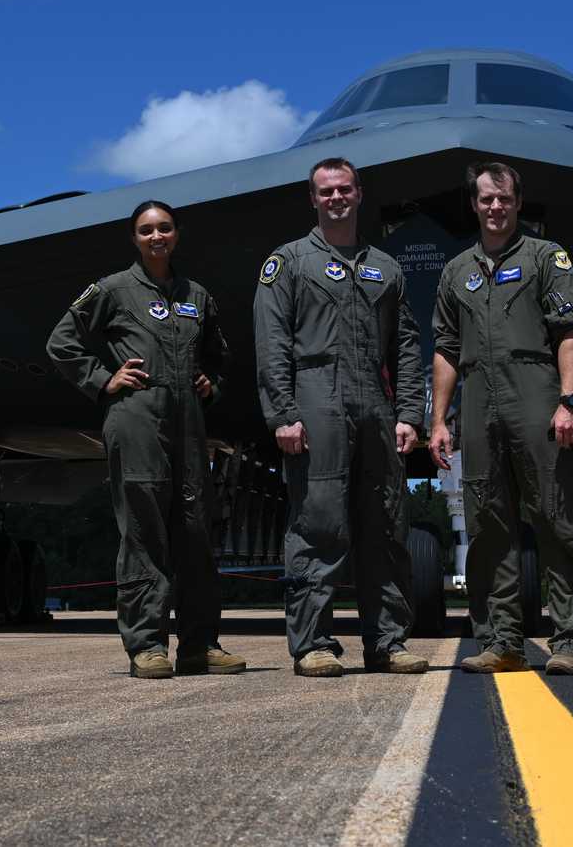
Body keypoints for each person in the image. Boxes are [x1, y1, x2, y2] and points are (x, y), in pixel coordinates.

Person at [45, 201, 246, 680]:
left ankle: (200, 644)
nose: (157, 236)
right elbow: (61, 342)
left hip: (189, 425)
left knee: (196, 533)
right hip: (137, 419)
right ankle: (147, 645)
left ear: (177, 234)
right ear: (134, 238)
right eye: (146, 230)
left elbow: (220, 355)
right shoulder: (113, 289)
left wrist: (211, 385)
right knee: (144, 532)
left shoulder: (197, 295)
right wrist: (102, 379)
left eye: (164, 228)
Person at [253, 158, 430, 678]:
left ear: (360, 194)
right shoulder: (289, 263)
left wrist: (409, 414)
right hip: (316, 399)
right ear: (313, 198)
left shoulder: (386, 268)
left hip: (375, 404)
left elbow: (407, 345)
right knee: (318, 522)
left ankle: (388, 642)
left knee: (385, 524)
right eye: (326, 191)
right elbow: (272, 345)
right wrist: (284, 414)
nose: (336, 198)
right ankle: (314, 643)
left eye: (345, 189)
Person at [429, 161, 573, 675]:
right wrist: (439, 420)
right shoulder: (457, 270)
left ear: (518, 203)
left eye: (504, 199)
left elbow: (569, 331)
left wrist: (568, 401)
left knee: (557, 516)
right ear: (475, 205)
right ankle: (502, 640)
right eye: (485, 199)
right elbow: (446, 348)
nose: (495, 207)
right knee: (487, 524)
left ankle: (569, 641)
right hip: (478, 400)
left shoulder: (547, 257)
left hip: (535, 391)